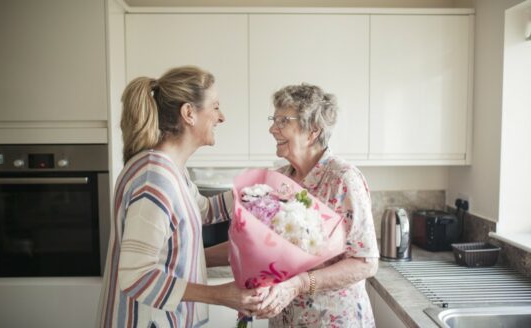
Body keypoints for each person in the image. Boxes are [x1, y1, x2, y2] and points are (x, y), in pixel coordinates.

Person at [97, 66, 266, 328]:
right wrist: (221, 295)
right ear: (189, 113)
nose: (221, 117)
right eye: (215, 106)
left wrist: (261, 191)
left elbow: (204, 211)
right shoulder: (155, 180)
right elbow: (136, 276)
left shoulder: (171, 170)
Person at [255, 83, 379, 327]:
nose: (272, 128)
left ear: (312, 131)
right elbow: (258, 241)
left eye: (283, 121)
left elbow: (365, 262)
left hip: (332, 320)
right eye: (274, 119)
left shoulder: (343, 179)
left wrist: (301, 283)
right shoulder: (279, 179)